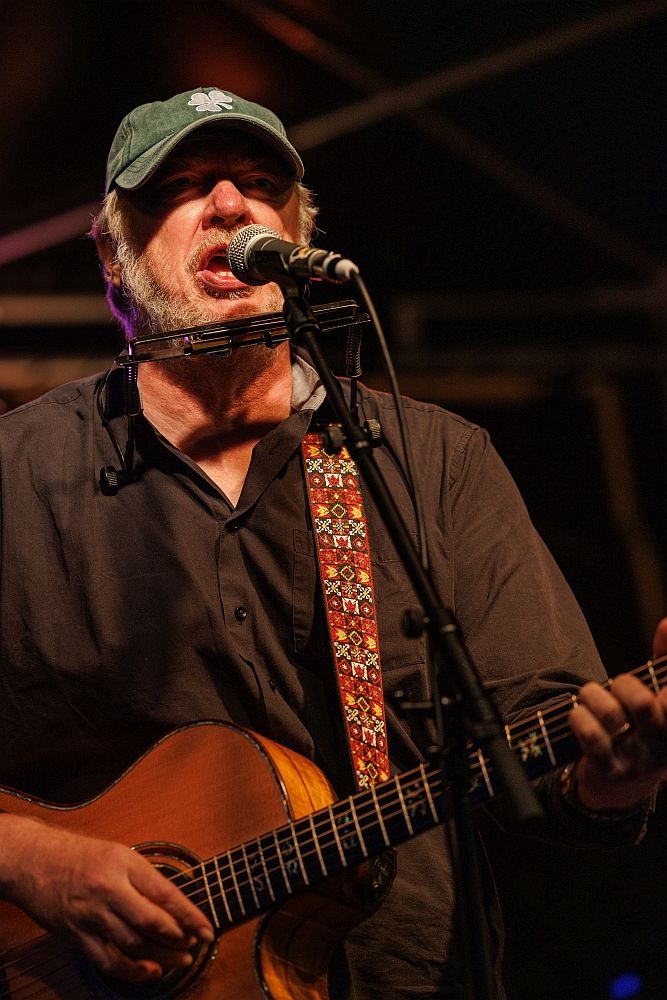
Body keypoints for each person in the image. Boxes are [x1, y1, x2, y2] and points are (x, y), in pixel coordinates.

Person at [0, 85, 665, 999]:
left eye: (259, 183)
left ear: (296, 239)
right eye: (183, 185)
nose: (228, 204)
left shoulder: (432, 462)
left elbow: (545, 751)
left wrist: (610, 779)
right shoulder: (18, 476)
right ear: (114, 257)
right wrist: (34, 861)